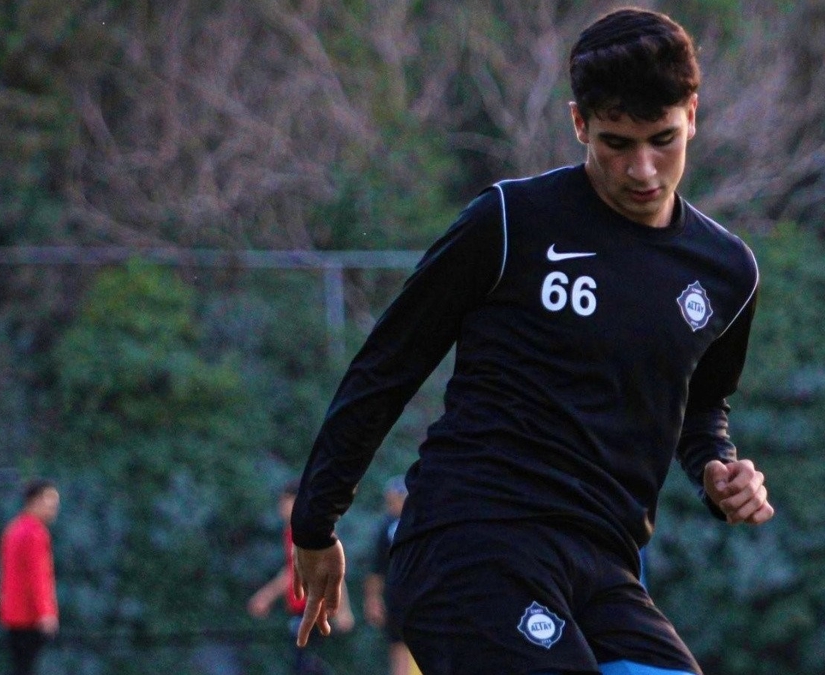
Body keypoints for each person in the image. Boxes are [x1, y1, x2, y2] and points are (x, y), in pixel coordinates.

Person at [291, 7, 774, 674]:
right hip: (471, 543)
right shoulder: (512, 222)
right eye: (616, 143)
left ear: (692, 113)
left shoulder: (726, 272)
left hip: (603, 565)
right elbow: (386, 366)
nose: (642, 169)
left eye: (662, 139)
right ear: (579, 123)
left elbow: (700, 407)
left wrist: (718, 468)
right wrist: (315, 522)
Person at [248, 479, 354, 674]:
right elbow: (292, 570)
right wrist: (266, 596)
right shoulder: (293, 531)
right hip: (303, 609)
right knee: (305, 664)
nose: (281, 507)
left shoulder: (308, 530)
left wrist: (343, 608)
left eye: (285, 501)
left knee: (304, 665)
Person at [0, 478, 60, 675]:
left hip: (12, 614)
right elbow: (38, 576)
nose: (54, 508)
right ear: (35, 501)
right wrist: (46, 613)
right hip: (30, 617)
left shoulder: (14, 528)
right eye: (50, 502)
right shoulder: (35, 533)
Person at [363, 475, 417, 675]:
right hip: (399, 597)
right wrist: (373, 599)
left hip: (424, 595)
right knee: (399, 645)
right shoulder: (389, 525)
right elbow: (377, 567)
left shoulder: (423, 521)